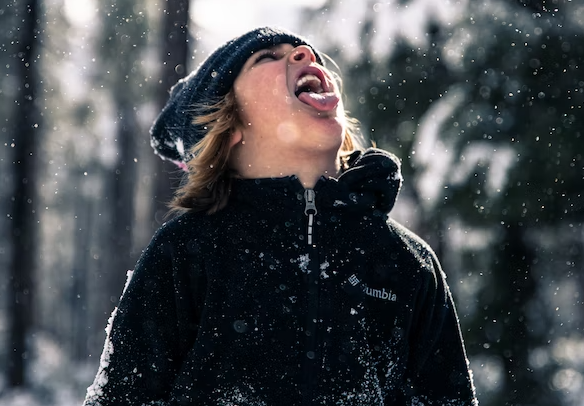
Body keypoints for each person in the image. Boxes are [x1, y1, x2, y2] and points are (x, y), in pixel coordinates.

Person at [83, 27, 478, 405]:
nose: (304, 55)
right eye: (267, 58)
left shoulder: (406, 261)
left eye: (305, 54)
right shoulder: (187, 250)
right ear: (230, 127)